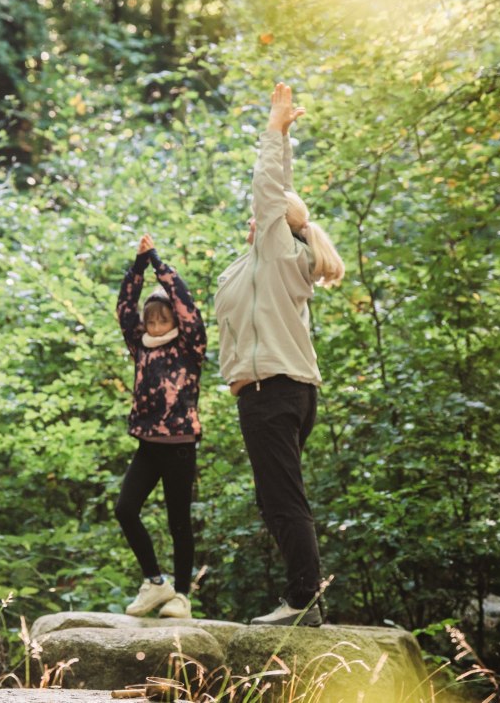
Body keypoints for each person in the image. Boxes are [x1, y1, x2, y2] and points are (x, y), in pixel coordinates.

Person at [215, 83, 345, 627]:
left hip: (275, 393)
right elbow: (282, 192)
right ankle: (301, 599)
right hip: (280, 392)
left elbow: (270, 188)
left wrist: (273, 130)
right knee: (277, 499)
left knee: (282, 500)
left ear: (277, 223)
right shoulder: (260, 264)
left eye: (269, 214)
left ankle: (301, 603)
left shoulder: (278, 255)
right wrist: (286, 137)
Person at [114, 233, 206, 620]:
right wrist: (137, 267)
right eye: (149, 319)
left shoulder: (189, 346)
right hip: (149, 445)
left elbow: (187, 307)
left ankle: (181, 596)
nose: (153, 324)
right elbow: (123, 308)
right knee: (125, 509)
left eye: (161, 318)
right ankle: (155, 583)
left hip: (180, 444)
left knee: (178, 521)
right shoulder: (140, 346)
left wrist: (157, 263)